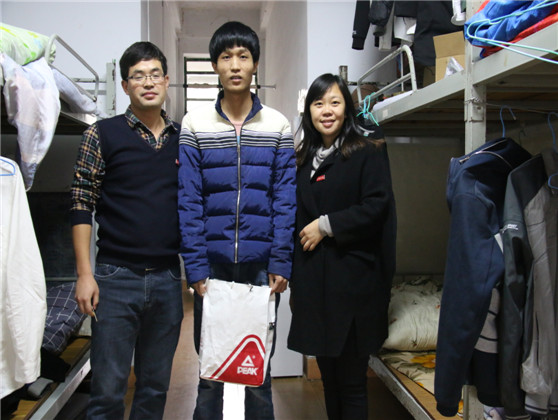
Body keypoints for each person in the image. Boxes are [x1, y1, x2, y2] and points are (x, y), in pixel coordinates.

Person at [177, 21, 296, 420]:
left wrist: (281, 261)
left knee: (257, 372)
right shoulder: (195, 124)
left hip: (261, 267)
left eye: (243, 56)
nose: (234, 65)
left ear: (255, 63)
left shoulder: (277, 125)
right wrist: (195, 267)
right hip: (212, 268)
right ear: (215, 65)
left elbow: (285, 199)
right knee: (210, 371)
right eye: (226, 57)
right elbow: (189, 201)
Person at [70, 42, 183, 419]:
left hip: (168, 278)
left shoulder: (183, 139)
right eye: (138, 76)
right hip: (115, 278)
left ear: (166, 81)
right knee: (107, 390)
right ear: (125, 86)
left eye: (154, 75)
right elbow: (81, 202)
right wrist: (85, 274)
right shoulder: (101, 134)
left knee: (155, 387)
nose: (147, 83)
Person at [287, 73, 396, 420]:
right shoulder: (304, 159)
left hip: (352, 288)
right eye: (318, 103)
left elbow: (377, 206)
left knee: (351, 384)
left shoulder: (367, 151)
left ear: (347, 108)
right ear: (309, 111)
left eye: (335, 102)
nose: (327, 111)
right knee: (329, 382)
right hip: (314, 289)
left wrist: (326, 225)